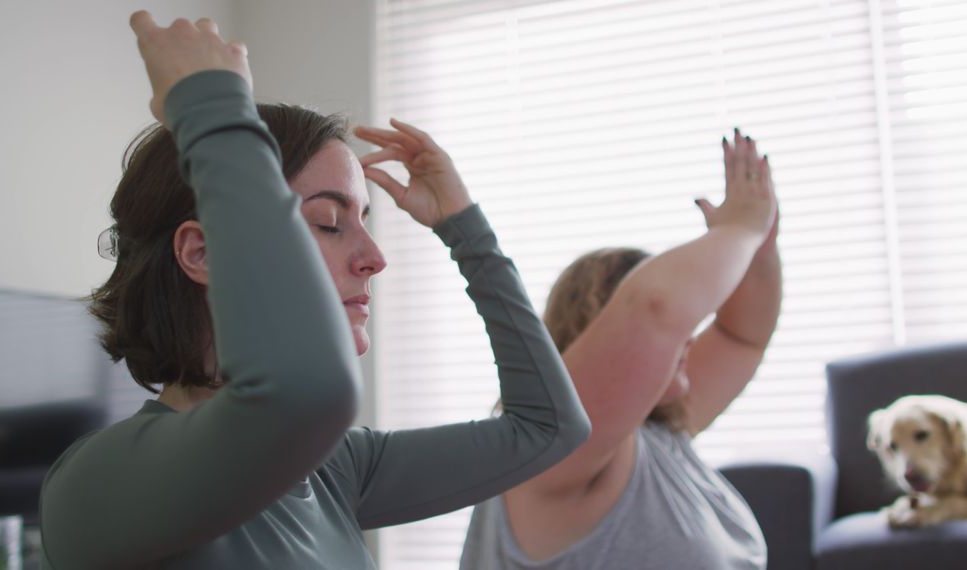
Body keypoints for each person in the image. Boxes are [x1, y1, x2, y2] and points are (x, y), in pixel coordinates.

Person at [39, 12, 589, 569]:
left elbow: (549, 428)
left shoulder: (332, 469)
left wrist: (465, 232)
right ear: (202, 253)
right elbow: (304, 393)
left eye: (365, 221)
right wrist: (210, 108)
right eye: (328, 222)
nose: (374, 259)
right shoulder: (100, 481)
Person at [461, 129, 782, 569]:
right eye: (678, 331)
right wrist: (741, 228)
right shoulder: (549, 443)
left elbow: (742, 336)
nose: (688, 335)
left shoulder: (658, 435)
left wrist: (759, 243)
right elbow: (657, 309)